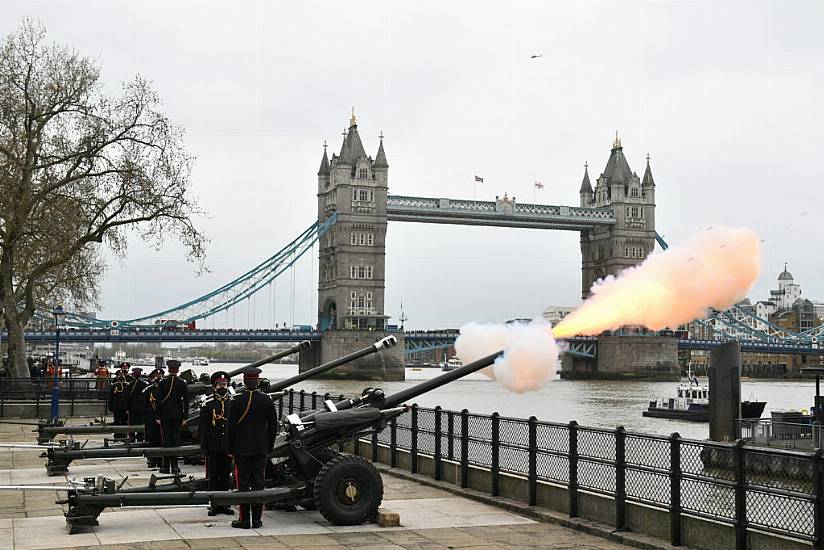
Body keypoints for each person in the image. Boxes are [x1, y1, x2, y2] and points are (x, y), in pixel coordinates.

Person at [226, 367, 278, 529]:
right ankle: (257, 519)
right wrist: (268, 446)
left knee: (242, 483)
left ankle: (244, 520)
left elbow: (230, 428)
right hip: (261, 447)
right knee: (258, 482)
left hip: (241, 447)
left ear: (244, 381)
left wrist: (229, 448)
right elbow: (272, 428)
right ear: (258, 381)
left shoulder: (236, 401)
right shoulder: (267, 400)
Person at [199, 371, 234, 516]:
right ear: (214, 386)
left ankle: (225, 503)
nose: (222, 387)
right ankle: (214, 504)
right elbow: (204, 427)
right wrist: (204, 446)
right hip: (213, 445)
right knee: (213, 476)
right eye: (220, 384)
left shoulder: (232, 402)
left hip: (227, 445)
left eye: (224, 384)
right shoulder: (208, 403)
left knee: (225, 476)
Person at [156, 359, 189, 474]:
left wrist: (157, 416)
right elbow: (186, 401)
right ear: (178, 370)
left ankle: (166, 466)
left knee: (166, 440)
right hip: (178, 414)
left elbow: (158, 401)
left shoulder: (162, 382)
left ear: (169, 369)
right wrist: (185, 417)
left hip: (165, 414)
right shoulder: (182, 383)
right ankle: (175, 466)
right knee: (175, 440)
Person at [143, 368, 164, 468]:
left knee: (161, 440)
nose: (158, 377)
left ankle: (160, 460)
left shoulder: (164, 389)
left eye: (160, 376)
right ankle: (151, 459)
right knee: (151, 439)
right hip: (151, 418)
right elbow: (144, 404)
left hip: (161, 418)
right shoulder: (148, 390)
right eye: (156, 375)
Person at [126, 367, 147, 442]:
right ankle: (139, 439)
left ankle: (132, 439)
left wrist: (127, 408)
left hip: (133, 407)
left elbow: (127, 397)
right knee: (139, 424)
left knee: (132, 425)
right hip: (139, 407)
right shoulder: (144, 384)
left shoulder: (130, 385)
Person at [108, 370, 129, 439]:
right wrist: (111, 406)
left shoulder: (127, 385)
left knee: (124, 422)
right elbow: (111, 396)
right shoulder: (114, 386)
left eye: (122, 375)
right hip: (117, 407)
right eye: (120, 375)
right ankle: (117, 436)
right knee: (116, 422)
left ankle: (124, 436)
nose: (121, 376)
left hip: (124, 407)